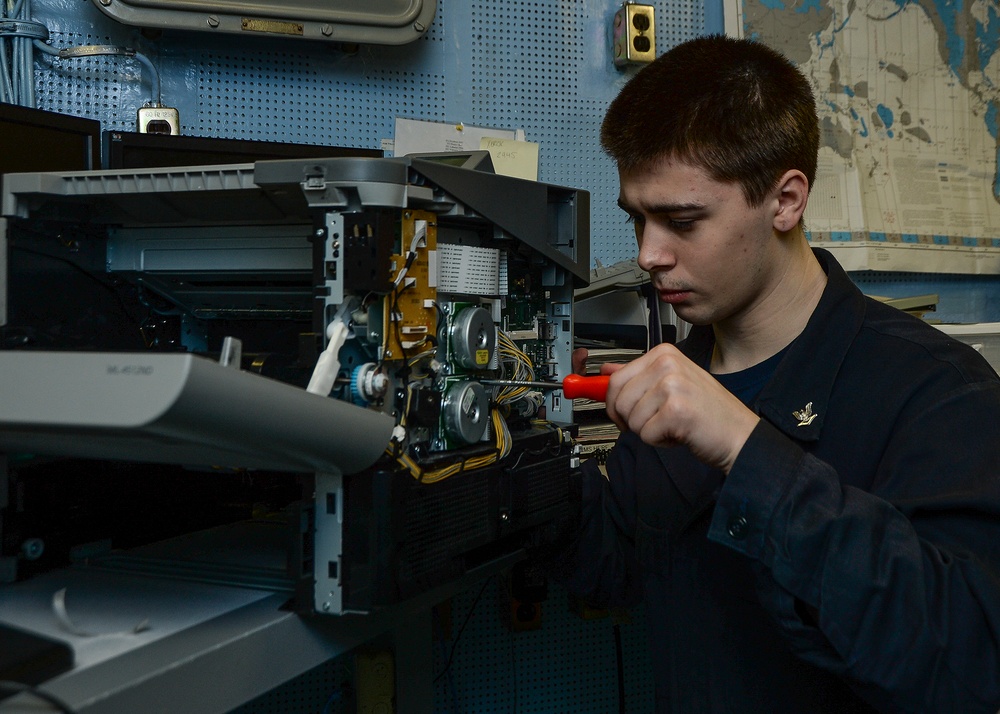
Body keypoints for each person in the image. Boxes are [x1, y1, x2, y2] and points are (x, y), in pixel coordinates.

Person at [558, 34, 1000, 712]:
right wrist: (522, 468)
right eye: (638, 219)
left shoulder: (937, 390)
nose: (649, 254)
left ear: (786, 201)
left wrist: (745, 448)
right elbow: (610, 575)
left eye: (681, 220)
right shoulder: (681, 373)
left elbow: (965, 663)